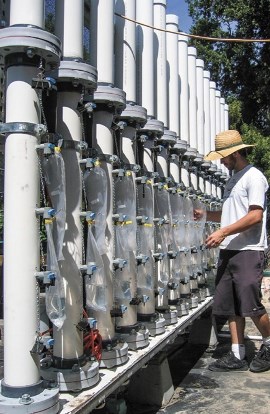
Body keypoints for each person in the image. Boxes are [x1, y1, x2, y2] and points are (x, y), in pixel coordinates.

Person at [195, 129, 270, 373]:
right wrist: (206, 215)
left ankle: (268, 345)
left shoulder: (254, 177)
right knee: (229, 305)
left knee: (250, 304)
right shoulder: (232, 179)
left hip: (248, 249)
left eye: (224, 157)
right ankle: (237, 354)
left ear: (236, 153)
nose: (221, 161)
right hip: (229, 250)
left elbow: (255, 216)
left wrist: (223, 232)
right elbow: (231, 213)